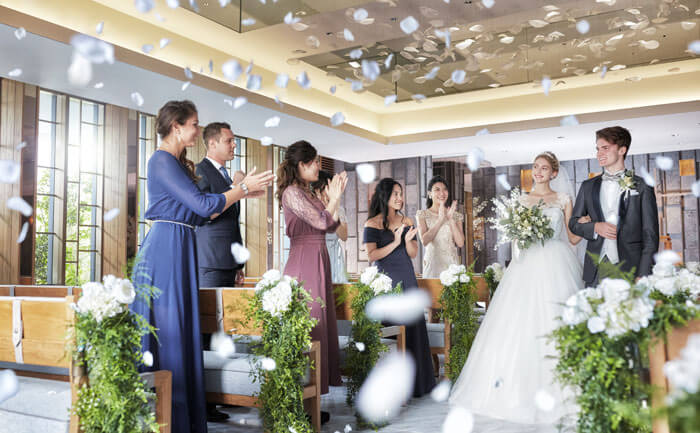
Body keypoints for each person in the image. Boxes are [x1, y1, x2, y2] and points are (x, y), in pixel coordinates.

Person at [131, 100, 273, 433]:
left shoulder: (178, 164)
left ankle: (183, 420)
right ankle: (164, 419)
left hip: (181, 244)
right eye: (194, 124)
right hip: (165, 249)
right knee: (169, 332)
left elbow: (202, 213)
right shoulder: (160, 160)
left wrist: (241, 193)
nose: (198, 129)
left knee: (182, 331)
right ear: (176, 126)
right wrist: (241, 189)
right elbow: (202, 204)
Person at [449, 152, 585, 426]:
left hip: (556, 262)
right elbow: (513, 238)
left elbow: (572, 238)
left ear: (554, 173)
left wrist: (583, 225)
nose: (539, 171)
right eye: (535, 167)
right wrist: (521, 237)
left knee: (555, 321)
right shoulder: (521, 199)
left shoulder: (563, 199)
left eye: (544, 168)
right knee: (519, 324)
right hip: (526, 265)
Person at [193, 121, 265, 421]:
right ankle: (204, 403)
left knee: (225, 332)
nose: (234, 145)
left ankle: (222, 393)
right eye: (229, 141)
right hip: (209, 261)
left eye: (234, 141)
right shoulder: (200, 172)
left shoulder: (225, 175)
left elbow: (232, 223)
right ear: (212, 143)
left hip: (227, 262)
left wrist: (238, 265)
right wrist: (239, 188)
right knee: (206, 332)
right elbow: (206, 212)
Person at [277, 140, 347, 423]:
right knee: (309, 328)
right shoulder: (292, 193)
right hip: (303, 262)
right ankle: (299, 404)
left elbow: (331, 224)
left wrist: (334, 198)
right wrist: (334, 198)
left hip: (318, 258)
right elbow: (321, 222)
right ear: (301, 165)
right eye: (314, 162)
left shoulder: (307, 191)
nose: (319, 166)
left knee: (321, 327)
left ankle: (312, 403)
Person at [363, 178, 435, 398]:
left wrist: (407, 241)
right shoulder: (371, 224)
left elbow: (413, 253)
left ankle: (417, 384)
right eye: (395, 193)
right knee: (391, 329)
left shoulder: (407, 220)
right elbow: (372, 256)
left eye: (401, 194)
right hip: (385, 281)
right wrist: (394, 242)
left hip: (406, 276)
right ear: (384, 195)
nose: (400, 198)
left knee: (412, 327)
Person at [569, 126, 659, 286]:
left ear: (622, 150)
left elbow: (650, 236)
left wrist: (644, 273)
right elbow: (573, 224)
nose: (599, 154)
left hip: (630, 268)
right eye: (597, 149)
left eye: (605, 148)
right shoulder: (588, 186)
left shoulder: (642, 186)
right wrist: (595, 227)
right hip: (596, 267)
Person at [416, 175, 465, 278]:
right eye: (437, 190)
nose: (442, 193)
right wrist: (440, 220)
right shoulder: (423, 214)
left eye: (445, 189)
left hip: (452, 264)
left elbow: (460, 243)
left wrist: (451, 219)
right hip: (433, 265)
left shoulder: (456, 215)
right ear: (430, 194)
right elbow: (424, 241)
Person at [311, 170, 349, 284]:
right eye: (330, 188)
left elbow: (344, 236)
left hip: (334, 255)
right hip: (316, 254)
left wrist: (335, 209)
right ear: (318, 190)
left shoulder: (340, 209)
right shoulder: (310, 209)